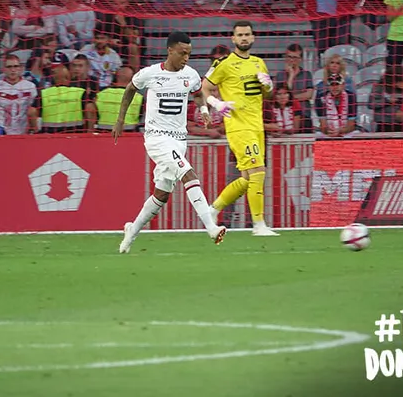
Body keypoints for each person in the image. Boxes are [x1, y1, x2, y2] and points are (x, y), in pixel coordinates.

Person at [112, 31, 226, 253]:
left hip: (179, 140)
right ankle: (211, 227)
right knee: (188, 173)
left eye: (189, 54)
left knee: (162, 194)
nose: (186, 58)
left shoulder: (191, 75)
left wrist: (203, 110)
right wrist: (120, 119)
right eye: (182, 53)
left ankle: (131, 231)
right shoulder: (151, 73)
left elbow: (197, 94)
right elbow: (130, 89)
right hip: (156, 138)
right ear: (170, 50)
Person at [202, 20, 279, 237]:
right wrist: (216, 103)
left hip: (257, 127)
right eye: (240, 35)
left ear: (253, 37)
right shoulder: (224, 63)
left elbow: (267, 95)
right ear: (233, 38)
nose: (244, 38)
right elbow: (204, 86)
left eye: (247, 34)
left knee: (247, 179)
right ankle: (259, 225)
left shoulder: (259, 63)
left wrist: (268, 86)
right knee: (258, 172)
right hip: (238, 126)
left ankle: (212, 210)